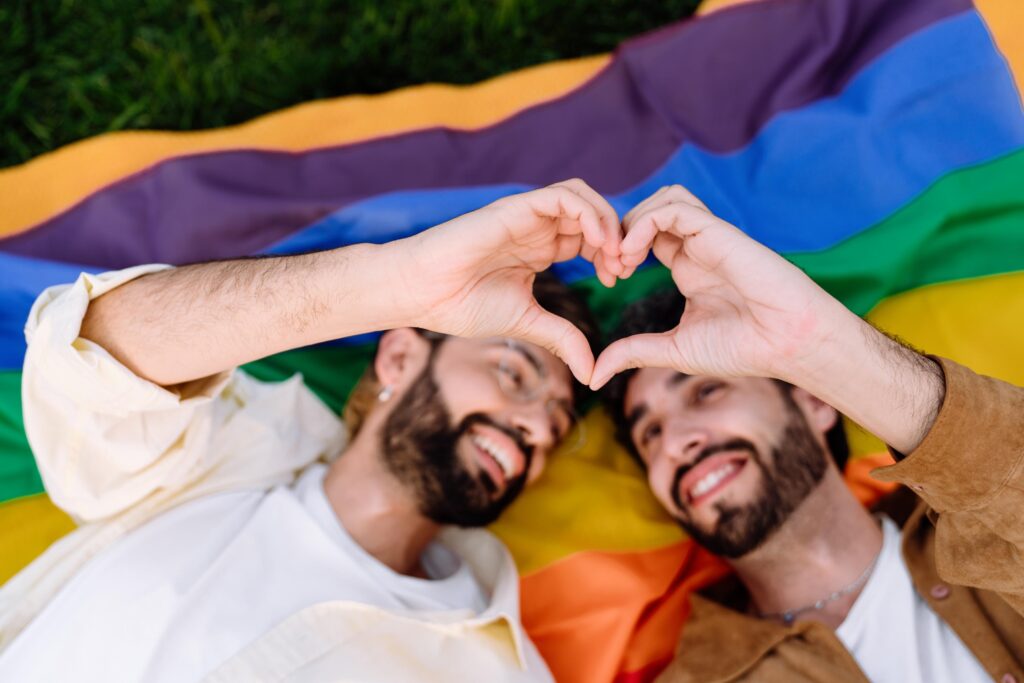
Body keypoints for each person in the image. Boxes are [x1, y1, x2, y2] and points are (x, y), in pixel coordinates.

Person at [0, 180, 625, 683]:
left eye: (557, 422)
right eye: (513, 373)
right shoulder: (213, 457)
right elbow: (90, 350)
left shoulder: (506, 670)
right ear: (401, 359)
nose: (537, 428)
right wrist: (395, 284)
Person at [593, 185, 1024, 683]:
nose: (674, 444)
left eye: (704, 393)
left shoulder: (986, 534)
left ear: (815, 401)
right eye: (649, 434)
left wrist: (819, 348)